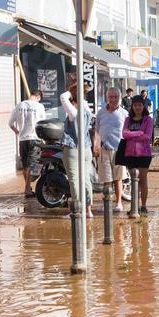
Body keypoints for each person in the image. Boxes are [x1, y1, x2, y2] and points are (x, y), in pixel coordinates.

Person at [60, 74, 95, 218]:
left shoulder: (74, 112)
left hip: (73, 148)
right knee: (86, 178)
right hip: (87, 149)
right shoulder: (87, 110)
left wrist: (73, 90)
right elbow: (83, 101)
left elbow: (63, 97)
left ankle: (77, 209)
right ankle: (88, 210)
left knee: (74, 179)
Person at [118, 95, 155, 213]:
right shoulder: (128, 120)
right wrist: (139, 133)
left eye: (140, 105)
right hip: (130, 153)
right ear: (132, 106)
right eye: (135, 105)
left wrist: (132, 134)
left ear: (143, 106)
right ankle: (134, 206)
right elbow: (124, 134)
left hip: (144, 154)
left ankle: (143, 206)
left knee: (143, 180)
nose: (137, 107)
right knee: (134, 181)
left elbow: (147, 136)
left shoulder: (148, 120)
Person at [94, 87, 128, 212]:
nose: (113, 99)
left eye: (116, 97)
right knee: (106, 178)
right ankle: (106, 202)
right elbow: (97, 129)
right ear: (107, 97)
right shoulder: (101, 112)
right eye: (111, 97)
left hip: (119, 148)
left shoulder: (124, 113)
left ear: (119, 98)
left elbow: (127, 131)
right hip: (103, 148)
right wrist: (96, 145)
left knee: (118, 178)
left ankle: (118, 202)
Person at [9, 89, 46, 197]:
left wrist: (17, 132)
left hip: (22, 139)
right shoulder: (39, 107)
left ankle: (28, 187)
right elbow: (42, 123)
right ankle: (27, 189)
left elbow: (10, 123)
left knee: (25, 165)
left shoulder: (19, 105)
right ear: (38, 97)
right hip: (34, 138)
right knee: (32, 164)